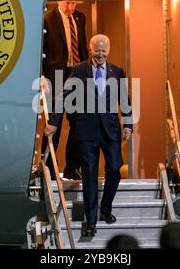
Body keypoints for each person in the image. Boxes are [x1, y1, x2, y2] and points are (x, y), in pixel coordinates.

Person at [45, 34, 132, 237]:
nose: (100, 54)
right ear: (90, 49)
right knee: (90, 176)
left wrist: (128, 125)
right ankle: (91, 222)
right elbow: (63, 97)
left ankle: (105, 209)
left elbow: (125, 100)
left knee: (114, 169)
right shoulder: (79, 70)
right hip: (87, 131)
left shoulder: (117, 71)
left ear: (108, 49)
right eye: (96, 50)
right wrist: (54, 123)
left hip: (110, 130)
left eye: (104, 50)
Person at [41, 0, 88, 180]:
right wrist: (42, 75)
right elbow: (41, 49)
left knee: (79, 122)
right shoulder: (47, 19)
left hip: (76, 73)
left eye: (74, 4)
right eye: (68, 3)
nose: (71, 8)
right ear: (60, 1)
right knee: (54, 123)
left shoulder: (80, 17)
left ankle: (72, 167)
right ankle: (49, 168)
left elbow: (82, 46)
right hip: (56, 75)